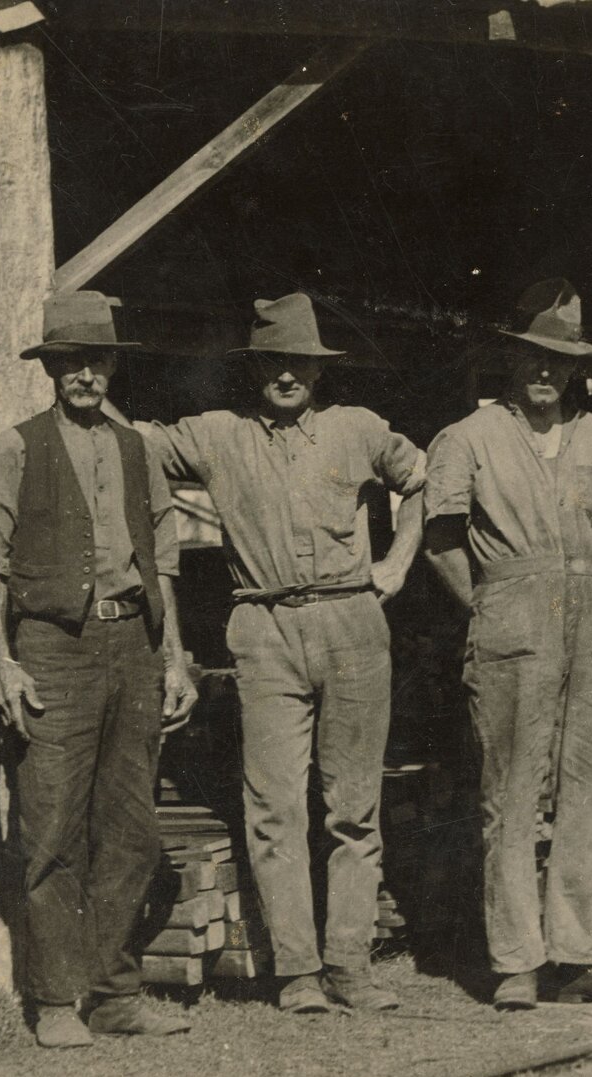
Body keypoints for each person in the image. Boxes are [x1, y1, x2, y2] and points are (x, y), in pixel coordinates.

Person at [137, 293, 423, 1015]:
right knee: (274, 807)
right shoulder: (217, 435)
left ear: (318, 370)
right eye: (274, 361)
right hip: (263, 625)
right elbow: (136, 444)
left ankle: (350, 964)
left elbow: (426, 482)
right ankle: (297, 972)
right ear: (255, 367)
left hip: (354, 620)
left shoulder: (358, 430)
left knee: (354, 808)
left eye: (299, 362)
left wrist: (397, 564)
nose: (287, 375)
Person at [0, 289, 197, 1048]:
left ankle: (114, 992)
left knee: (130, 828)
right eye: (69, 363)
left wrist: (176, 656)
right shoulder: (17, 448)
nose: (84, 376)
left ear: (110, 367)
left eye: (95, 361)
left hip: (131, 643)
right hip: (51, 650)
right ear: (51, 370)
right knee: (53, 824)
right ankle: (56, 1000)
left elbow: (162, 558)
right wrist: (1, 660)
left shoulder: (135, 449)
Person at [422, 280, 592, 1010]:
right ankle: (518, 961)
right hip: (510, 618)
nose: (545, 374)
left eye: (559, 361)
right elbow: (440, 542)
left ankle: (582, 954)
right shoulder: (466, 438)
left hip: (590, 620)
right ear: (511, 360)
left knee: (589, 789)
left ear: (576, 368)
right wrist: (491, 604)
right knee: (512, 796)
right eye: (533, 358)